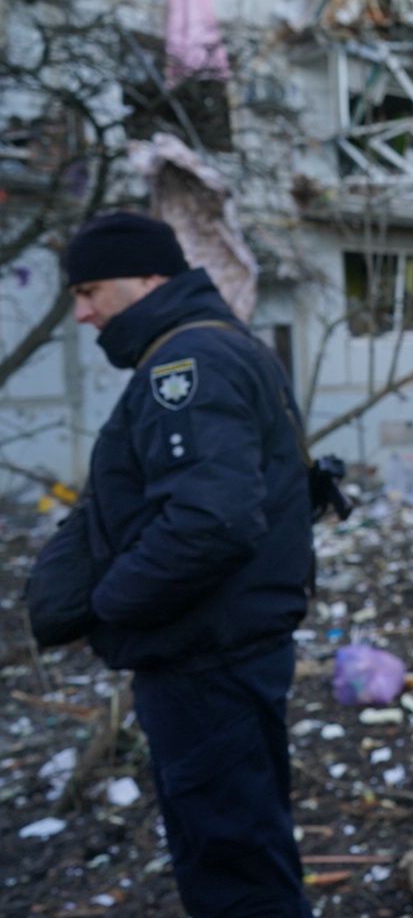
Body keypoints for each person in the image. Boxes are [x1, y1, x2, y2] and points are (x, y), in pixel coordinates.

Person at [34, 211, 314, 917]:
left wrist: (108, 607)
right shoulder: (211, 347)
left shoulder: (190, 362)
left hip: (204, 660)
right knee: (241, 849)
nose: (83, 312)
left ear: (151, 277)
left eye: (93, 289)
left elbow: (209, 520)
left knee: (231, 868)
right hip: (219, 653)